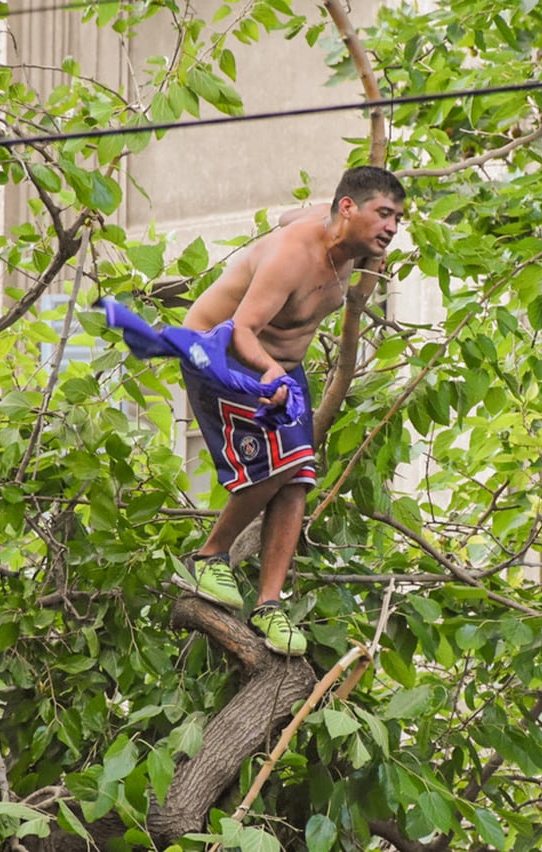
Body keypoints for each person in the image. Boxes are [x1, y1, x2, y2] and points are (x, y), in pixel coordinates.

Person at [175, 165, 406, 656]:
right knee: (275, 465)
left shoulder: (349, 241)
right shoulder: (292, 255)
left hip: (280, 364)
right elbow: (242, 329)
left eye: (398, 219)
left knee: (299, 472)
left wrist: (365, 240)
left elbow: (291, 212)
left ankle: (269, 604)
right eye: (383, 214)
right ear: (349, 208)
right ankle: (208, 557)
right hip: (224, 353)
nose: (392, 227)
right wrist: (272, 376)